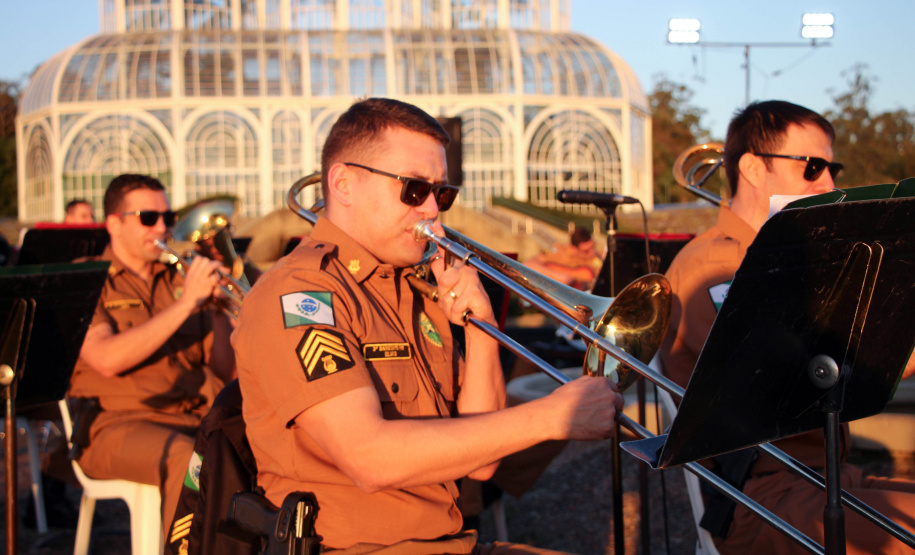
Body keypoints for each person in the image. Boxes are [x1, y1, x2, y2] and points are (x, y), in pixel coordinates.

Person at [232, 97, 623, 554]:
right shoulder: (302, 295)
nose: (433, 210)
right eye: (414, 190)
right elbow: (368, 456)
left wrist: (479, 329)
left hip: (449, 542)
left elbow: (482, 466)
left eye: (443, 194)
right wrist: (552, 416)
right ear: (343, 184)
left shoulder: (415, 290)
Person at [660, 100, 915, 554]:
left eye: (832, 167)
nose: (831, 183)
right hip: (761, 494)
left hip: (826, 475)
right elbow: (798, 379)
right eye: (813, 167)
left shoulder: (793, 260)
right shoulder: (716, 266)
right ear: (754, 169)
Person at [68, 173, 236, 535]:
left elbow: (227, 370)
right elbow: (105, 359)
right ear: (114, 224)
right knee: (188, 461)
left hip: (195, 417)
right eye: (148, 218)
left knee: (264, 446)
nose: (162, 227)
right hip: (114, 424)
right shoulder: (88, 278)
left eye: (168, 217)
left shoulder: (179, 278)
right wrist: (187, 303)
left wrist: (220, 309)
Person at [523, 226, 603, 291]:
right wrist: (557, 276)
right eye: (586, 251)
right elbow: (527, 264)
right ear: (574, 249)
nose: (592, 252)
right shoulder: (557, 251)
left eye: (593, 247)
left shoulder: (598, 257)